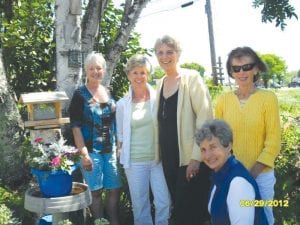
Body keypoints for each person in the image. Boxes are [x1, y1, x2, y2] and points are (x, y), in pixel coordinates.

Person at [215, 46, 281, 225]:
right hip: (231, 175)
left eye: (246, 67)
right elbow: (218, 141)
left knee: (264, 217)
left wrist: (251, 174)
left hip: (262, 175)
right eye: (236, 68)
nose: (241, 72)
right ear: (230, 72)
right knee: (236, 219)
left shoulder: (268, 98)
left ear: (256, 68)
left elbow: (274, 141)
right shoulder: (223, 101)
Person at [154, 35, 213, 225]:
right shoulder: (160, 83)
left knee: (188, 213)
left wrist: (196, 157)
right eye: (160, 52)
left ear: (178, 54)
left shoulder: (192, 78)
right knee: (181, 208)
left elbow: (205, 118)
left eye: (169, 52)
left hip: (189, 159)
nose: (165, 57)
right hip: (169, 159)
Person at [116, 55, 170, 225]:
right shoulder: (122, 104)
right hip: (135, 162)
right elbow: (121, 137)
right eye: (135, 72)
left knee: (164, 202)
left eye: (143, 72)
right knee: (140, 207)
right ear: (129, 75)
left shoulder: (159, 98)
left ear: (148, 75)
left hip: (158, 160)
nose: (139, 77)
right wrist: (121, 156)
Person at [69, 52, 122, 225]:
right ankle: (99, 222)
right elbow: (75, 127)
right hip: (91, 151)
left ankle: (113, 221)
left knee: (114, 189)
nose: (95, 71)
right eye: (91, 68)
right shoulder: (80, 94)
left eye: (98, 68)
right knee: (96, 192)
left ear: (104, 71)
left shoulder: (108, 91)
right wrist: (84, 154)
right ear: (86, 71)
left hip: (110, 150)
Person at [195, 119, 269, 225]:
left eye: (213, 147)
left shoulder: (238, 183)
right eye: (203, 149)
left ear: (228, 146)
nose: (208, 155)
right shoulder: (219, 173)